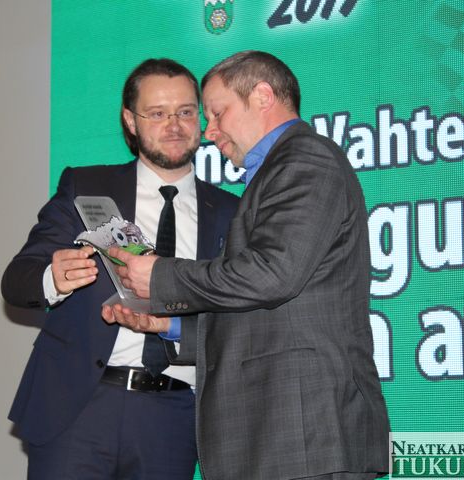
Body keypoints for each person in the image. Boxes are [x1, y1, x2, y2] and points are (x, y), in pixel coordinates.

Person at [103, 50, 390, 479]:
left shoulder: (305, 160)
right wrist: (173, 326)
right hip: (288, 436)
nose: (209, 131)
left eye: (217, 113)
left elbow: (272, 275)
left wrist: (160, 275)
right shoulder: (280, 169)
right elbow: (268, 312)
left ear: (262, 96)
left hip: (305, 434)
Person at [1, 58, 238, 479]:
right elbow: (18, 280)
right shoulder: (85, 187)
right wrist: (52, 279)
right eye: (157, 113)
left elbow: (237, 320)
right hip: (79, 407)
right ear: (130, 120)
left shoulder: (231, 211)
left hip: (174, 417)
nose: (174, 125)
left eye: (185, 112)